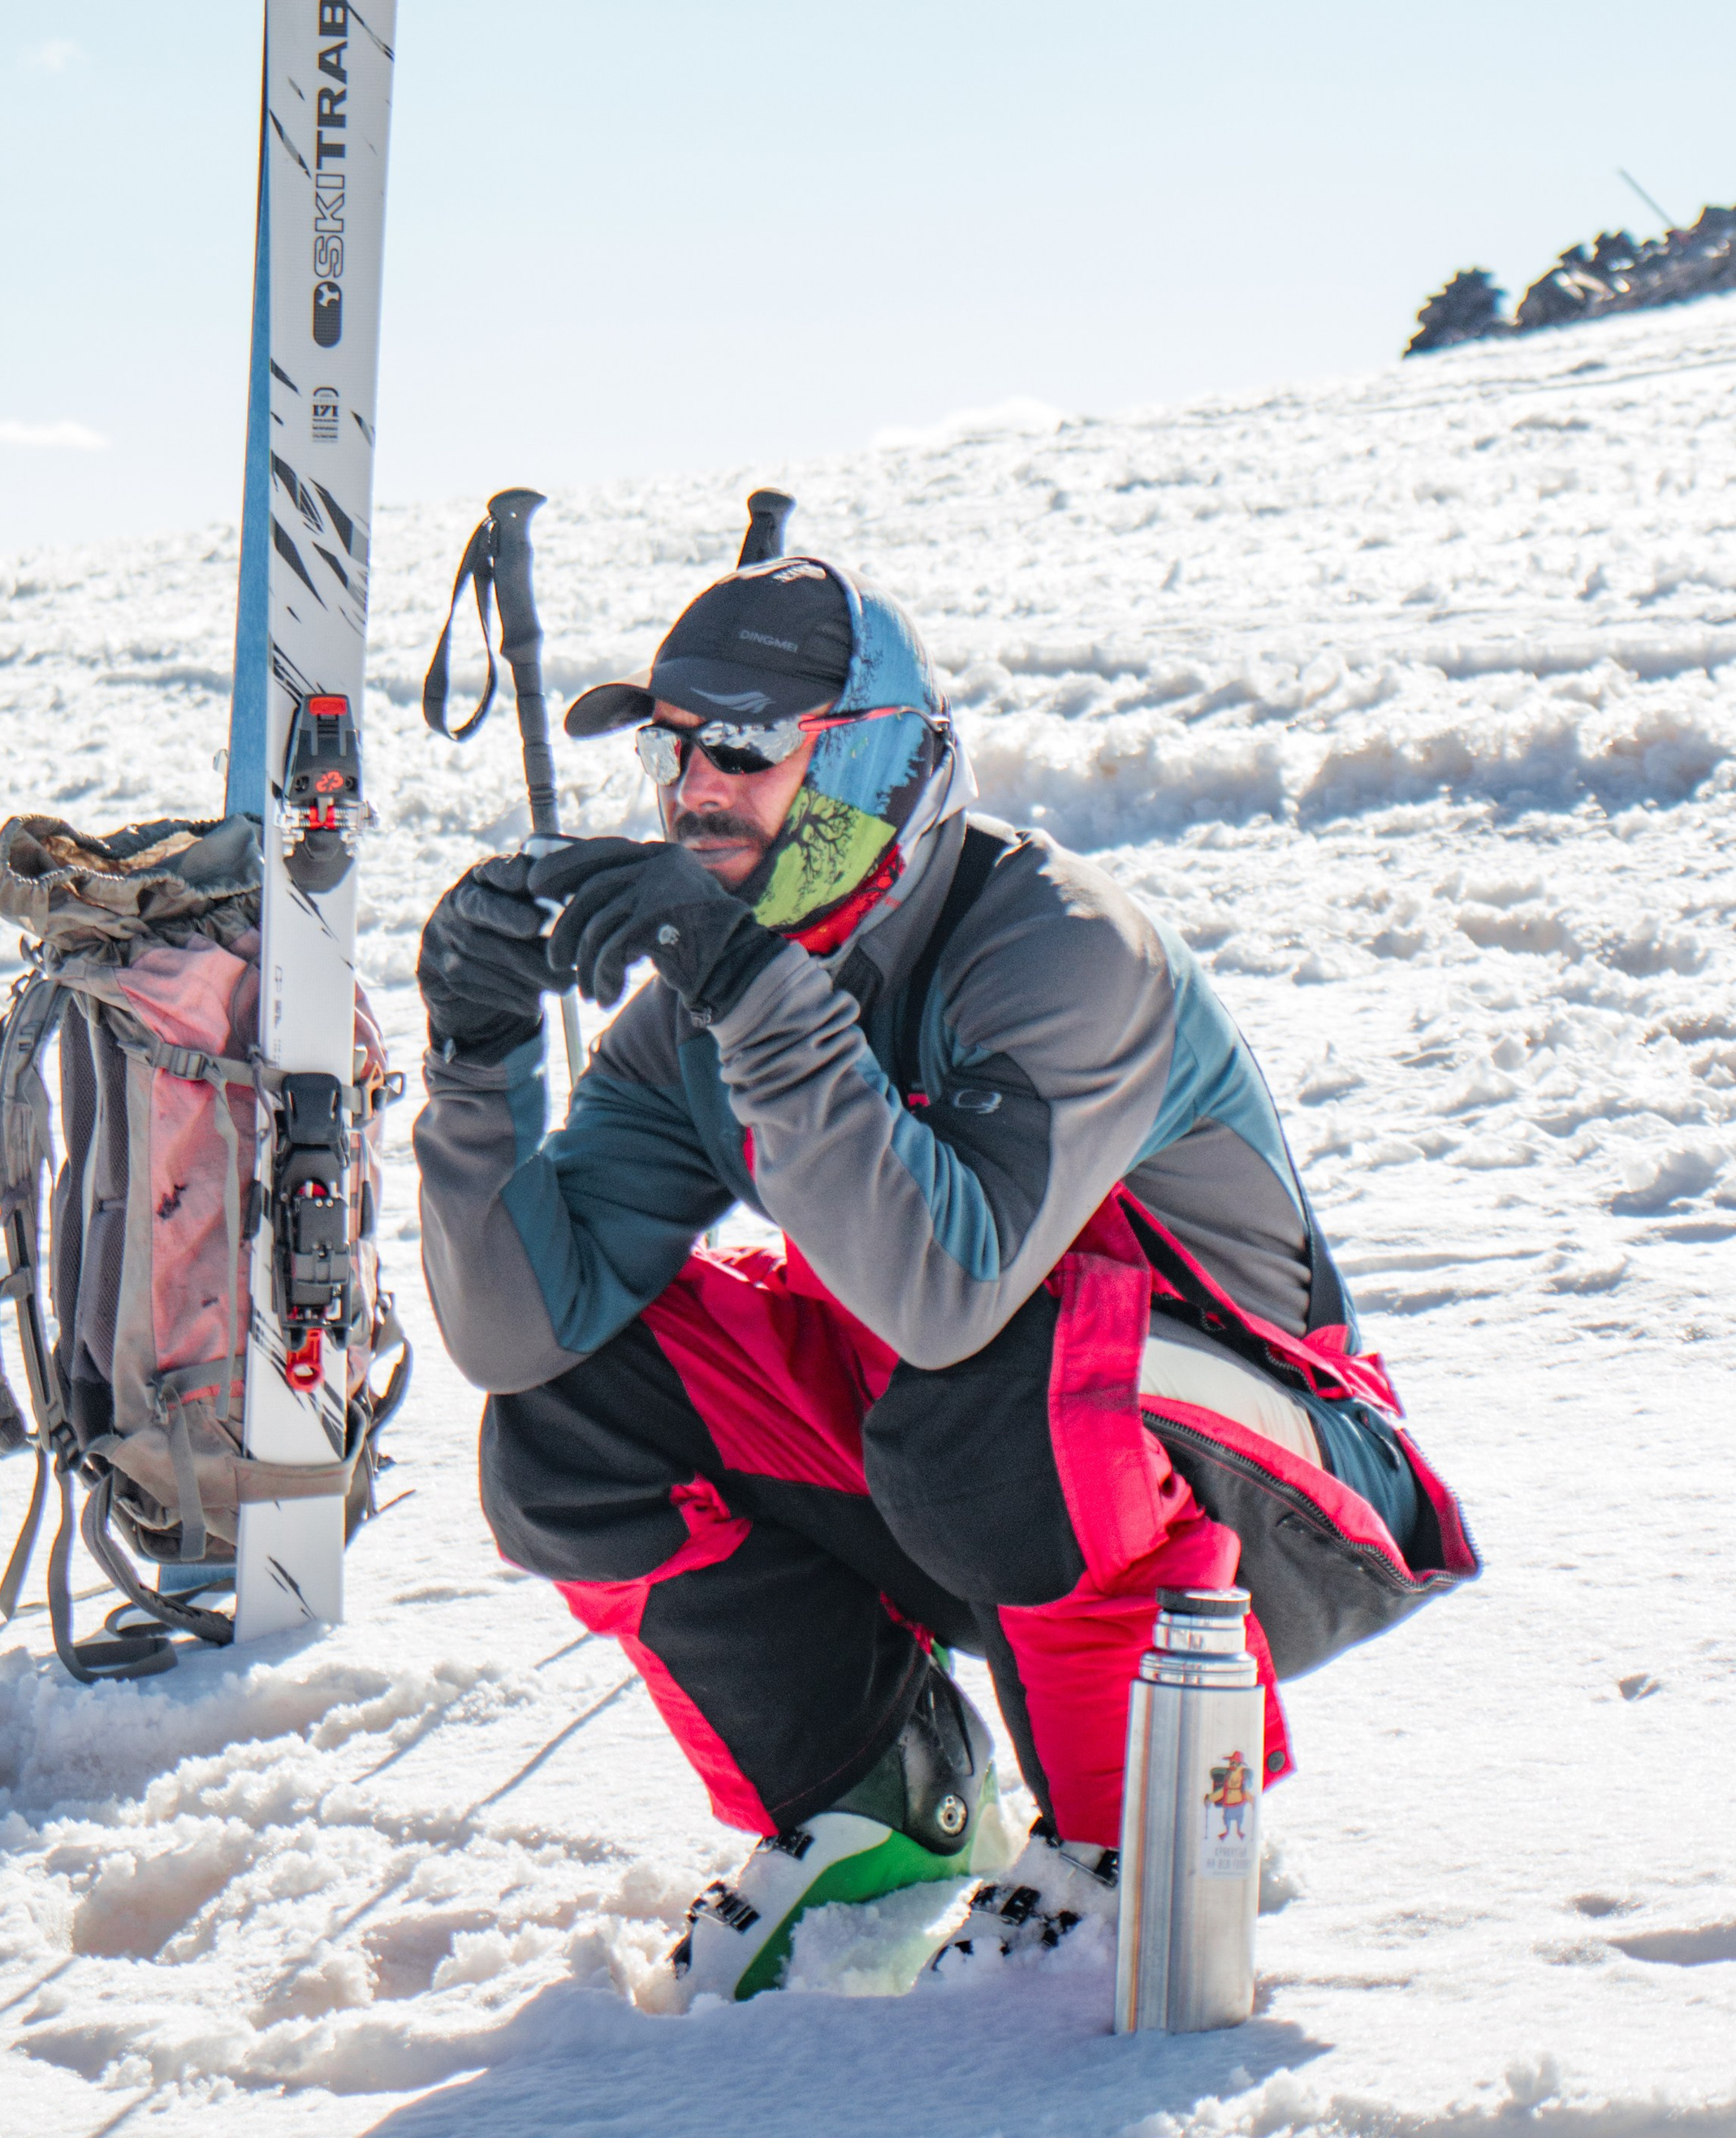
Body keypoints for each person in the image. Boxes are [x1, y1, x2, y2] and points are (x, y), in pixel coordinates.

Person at [412, 554, 1477, 2001]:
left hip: (1287, 1491)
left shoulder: (1060, 951)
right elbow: (513, 1330)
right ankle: (879, 1795)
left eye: (741, 745)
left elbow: (946, 1293)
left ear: (869, 763)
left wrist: (748, 989)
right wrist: (477, 1064)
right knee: (569, 1413)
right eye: (670, 747)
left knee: (999, 1369)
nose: (690, 788)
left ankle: (1129, 1835)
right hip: (971, 1460)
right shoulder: (710, 1008)